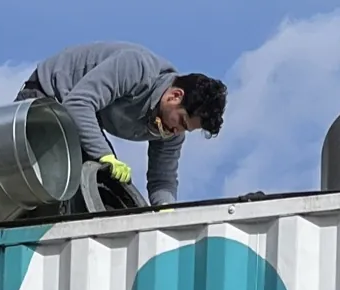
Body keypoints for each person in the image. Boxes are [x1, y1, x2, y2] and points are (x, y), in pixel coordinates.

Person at [18, 43, 227, 207]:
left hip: (75, 117)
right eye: (181, 121)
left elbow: (162, 179)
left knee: (102, 188)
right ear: (174, 96)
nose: (176, 131)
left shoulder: (170, 131)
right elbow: (78, 103)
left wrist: (165, 210)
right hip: (46, 99)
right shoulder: (137, 68)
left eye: (185, 129)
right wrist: (105, 155)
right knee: (59, 185)